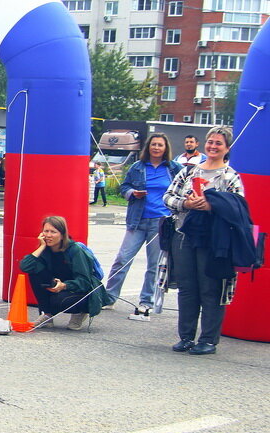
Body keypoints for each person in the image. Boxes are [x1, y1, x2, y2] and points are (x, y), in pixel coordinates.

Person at [163, 126, 245, 356]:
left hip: (214, 241)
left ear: (227, 148)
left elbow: (239, 207)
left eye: (218, 143)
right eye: (210, 142)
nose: (213, 146)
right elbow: (168, 196)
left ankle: (208, 339)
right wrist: (186, 204)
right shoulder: (189, 171)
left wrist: (212, 205)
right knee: (187, 288)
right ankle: (186, 337)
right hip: (183, 236)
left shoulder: (231, 176)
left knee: (210, 289)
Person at [103, 133, 182, 321]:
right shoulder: (137, 167)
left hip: (161, 222)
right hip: (137, 220)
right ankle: (109, 297)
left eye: (160, 145)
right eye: (153, 144)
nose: (156, 148)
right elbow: (124, 187)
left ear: (165, 148)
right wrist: (132, 193)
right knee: (122, 258)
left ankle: (146, 301)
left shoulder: (174, 168)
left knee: (154, 264)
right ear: (148, 147)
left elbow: (182, 190)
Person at [20, 215, 105, 331]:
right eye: (46, 231)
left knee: (59, 301)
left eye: (53, 232)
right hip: (58, 285)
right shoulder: (45, 249)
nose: (48, 235)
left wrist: (64, 286)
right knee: (34, 271)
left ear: (62, 234)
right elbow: (25, 266)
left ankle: (80, 312)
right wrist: (41, 246)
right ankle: (47, 315)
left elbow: (85, 282)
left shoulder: (75, 250)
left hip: (78, 290)